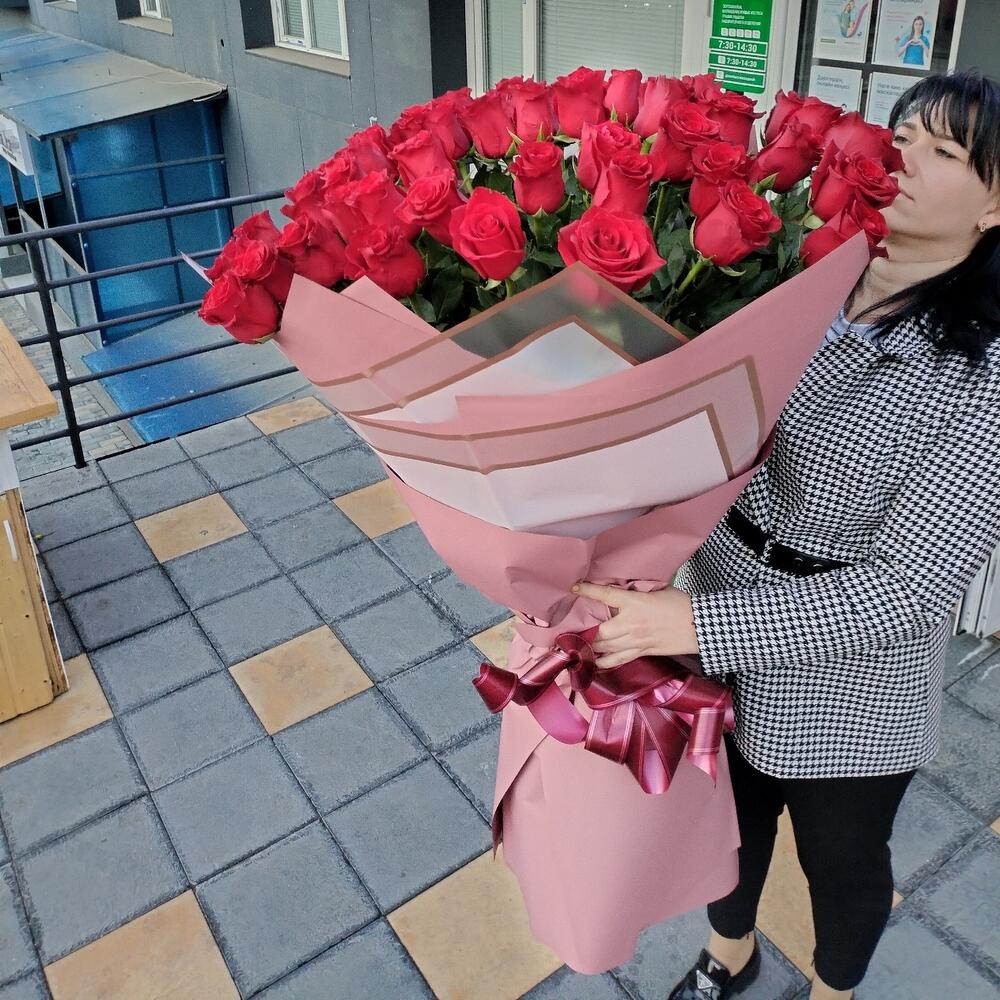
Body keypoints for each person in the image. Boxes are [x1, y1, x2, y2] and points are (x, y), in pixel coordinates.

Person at [575, 69, 1000, 1000]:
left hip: (849, 686)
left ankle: (835, 987)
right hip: (713, 590)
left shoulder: (983, 375)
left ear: (994, 206)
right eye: (902, 136)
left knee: (841, 864)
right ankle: (730, 954)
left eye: (945, 152)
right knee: (724, 824)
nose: (905, 159)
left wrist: (691, 625)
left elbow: (908, 587)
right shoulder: (798, 274)